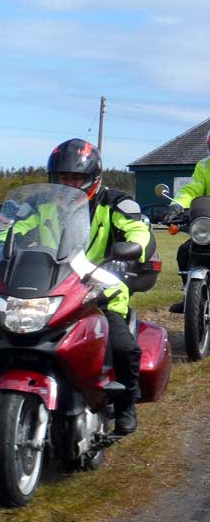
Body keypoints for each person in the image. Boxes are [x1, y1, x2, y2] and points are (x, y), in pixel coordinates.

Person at [46, 138, 152, 434]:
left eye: (77, 179)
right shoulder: (47, 208)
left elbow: (138, 229)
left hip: (101, 291)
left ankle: (125, 405)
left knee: (122, 346)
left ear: (93, 180)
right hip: (54, 288)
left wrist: (129, 250)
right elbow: (18, 230)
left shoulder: (115, 203)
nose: (69, 185)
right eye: (63, 179)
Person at [165, 129, 210, 314]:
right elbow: (193, 189)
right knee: (185, 251)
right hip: (208, 222)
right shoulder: (205, 166)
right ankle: (190, 296)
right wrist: (176, 206)